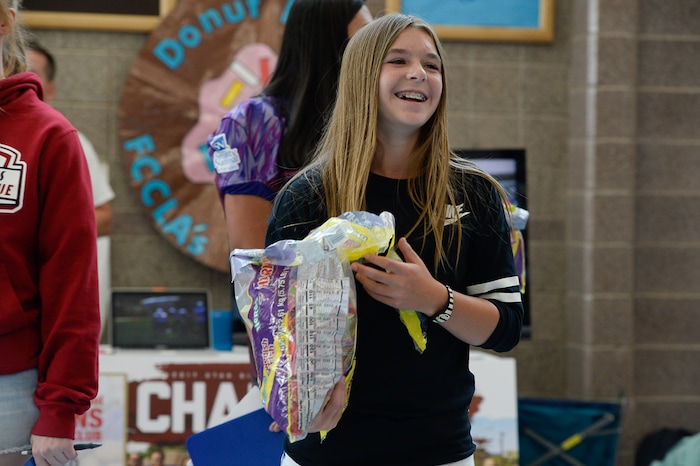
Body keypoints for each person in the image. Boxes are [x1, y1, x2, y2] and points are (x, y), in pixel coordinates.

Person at [265, 14, 524, 466]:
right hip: (325, 452)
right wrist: (293, 396)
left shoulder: (474, 193)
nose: (419, 73)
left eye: (432, 65)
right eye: (398, 60)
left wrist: (432, 298)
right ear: (363, 77)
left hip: (437, 450)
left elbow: (504, 329)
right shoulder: (306, 195)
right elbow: (271, 331)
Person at [209, 0, 372, 381]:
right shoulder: (253, 124)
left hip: (379, 332)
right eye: (361, 42)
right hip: (296, 346)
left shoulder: (368, 125)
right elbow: (255, 265)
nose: (372, 56)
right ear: (325, 44)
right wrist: (280, 371)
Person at [0, 1, 100, 466]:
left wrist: (59, 410)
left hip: (10, 387)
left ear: (4, 21)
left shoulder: (50, 137)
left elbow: (72, 284)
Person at [24, 39, 116, 341]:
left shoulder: (65, 140)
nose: (21, 78)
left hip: (52, 315)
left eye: (32, 73)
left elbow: (105, 218)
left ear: (50, 89)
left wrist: (38, 220)